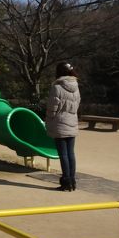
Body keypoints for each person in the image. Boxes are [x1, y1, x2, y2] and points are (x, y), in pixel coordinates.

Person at [45, 62, 81, 192]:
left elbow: (52, 108)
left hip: (60, 123)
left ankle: (66, 181)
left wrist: (49, 118)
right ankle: (72, 181)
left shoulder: (57, 87)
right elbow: (77, 105)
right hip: (72, 121)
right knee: (71, 153)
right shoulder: (76, 86)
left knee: (63, 154)